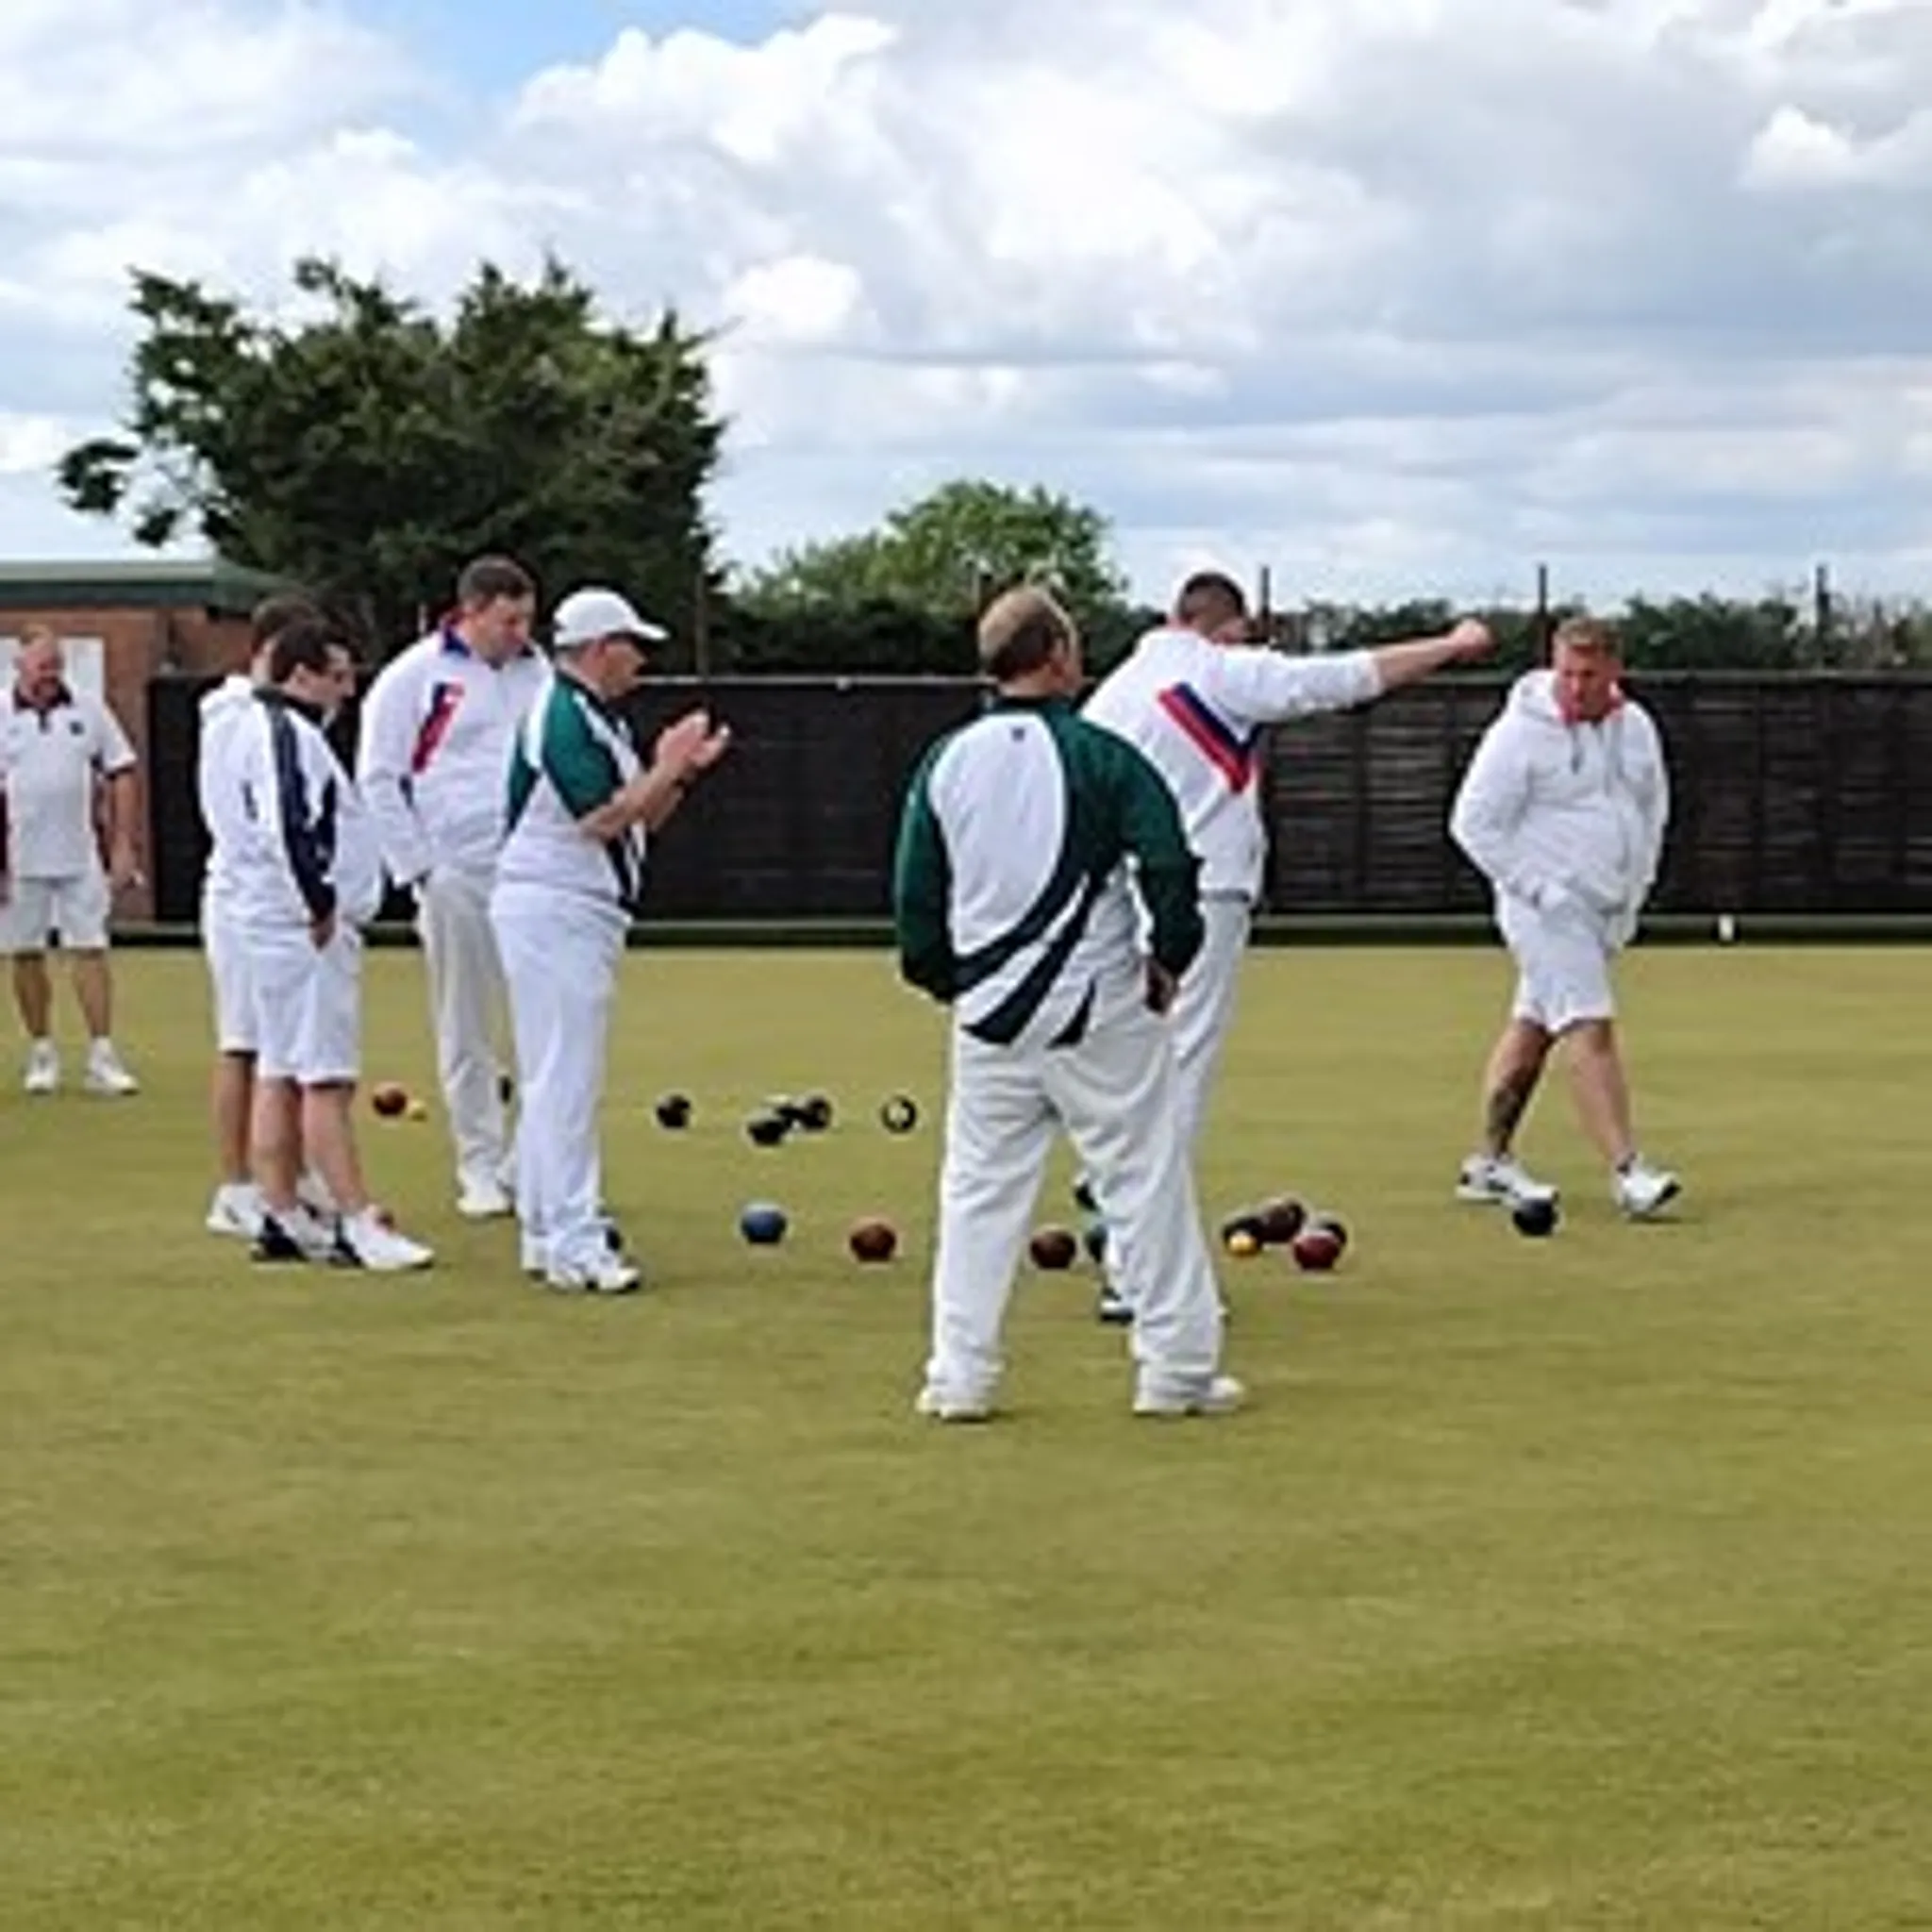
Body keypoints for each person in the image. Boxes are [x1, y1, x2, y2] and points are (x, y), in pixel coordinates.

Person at [1077, 569, 1496, 1318]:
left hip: (1118, 901)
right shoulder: (1221, 673)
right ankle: (1138, 1270)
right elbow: (1344, 678)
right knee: (1180, 1078)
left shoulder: (1111, 695)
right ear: (1227, 628)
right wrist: (1453, 643)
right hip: (1202, 896)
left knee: (1135, 1073)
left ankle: (1122, 1229)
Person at [892, 585, 1240, 1422]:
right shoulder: (1104, 755)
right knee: (1143, 1175)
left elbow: (914, 899)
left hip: (989, 1018)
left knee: (977, 1190)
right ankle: (1176, 1371)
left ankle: (960, 1377)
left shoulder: (945, 761)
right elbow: (1169, 863)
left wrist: (948, 982)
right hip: (1099, 1010)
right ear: (1055, 657)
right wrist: (1172, 959)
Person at [490, 587, 731, 1294]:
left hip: (576, 910)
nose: (642, 661)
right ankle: (573, 1239)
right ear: (600, 648)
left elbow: (642, 819)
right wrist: (668, 763)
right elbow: (599, 817)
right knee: (567, 1075)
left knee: (552, 1073)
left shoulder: (597, 719)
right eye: (633, 646)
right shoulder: (560, 713)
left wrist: (680, 769)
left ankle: (545, 1229)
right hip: (554, 906)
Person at [1447, 614, 1679, 1218]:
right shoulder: (1518, 734)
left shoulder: (1636, 728)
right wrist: (1540, 889)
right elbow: (1471, 824)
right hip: (1544, 909)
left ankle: (1489, 1162)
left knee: (1532, 1027)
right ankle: (1629, 1172)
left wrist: (1637, 891)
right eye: (1567, 673)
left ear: (1614, 671)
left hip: (1605, 907)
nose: (1575, 687)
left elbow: (1652, 810)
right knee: (1589, 1027)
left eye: (1589, 675)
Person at [225, 615, 434, 1271]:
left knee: (280, 1068)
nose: (345, 690)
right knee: (323, 1076)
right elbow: (290, 823)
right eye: (336, 676)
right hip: (303, 929)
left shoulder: (253, 730)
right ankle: (355, 1220)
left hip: (272, 921)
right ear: (300, 674)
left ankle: (281, 1212)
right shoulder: (288, 735)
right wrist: (318, 902)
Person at [357, 555, 548, 1220]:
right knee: (465, 1021)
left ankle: (533, 1160)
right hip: (455, 873)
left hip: (531, 869)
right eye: (509, 619)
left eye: (528, 619)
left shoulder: (539, 673)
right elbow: (379, 777)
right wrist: (420, 871)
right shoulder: (413, 677)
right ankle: (479, 1165)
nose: (521, 632)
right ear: (470, 611)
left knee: (541, 1019)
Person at [198, 591, 334, 1239]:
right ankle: (236, 1186)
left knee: (285, 1044)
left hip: (268, 893)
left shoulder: (275, 718)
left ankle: (290, 1174)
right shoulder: (234, 716)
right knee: (245, 1042)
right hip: (242, 896)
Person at [0, 625, 142, 1096]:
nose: (51, 677)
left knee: (91, 948)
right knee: (25, 952)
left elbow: (121, 771)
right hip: (18, 857)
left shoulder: (87, 708)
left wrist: (122, 845)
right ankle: (42, 1051)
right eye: (42, 667)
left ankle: (102, 1054)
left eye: (56, 667)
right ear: (19, 666)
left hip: (80, 852)